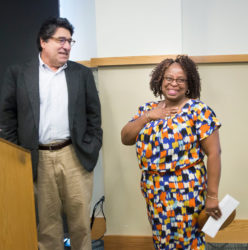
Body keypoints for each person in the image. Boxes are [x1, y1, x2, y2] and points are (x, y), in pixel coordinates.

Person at [0, 17, 102, 250]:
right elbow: (7, 117)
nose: (66, 46)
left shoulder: (81, 74)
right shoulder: (19, 73)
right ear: (43, 42)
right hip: (38, 159)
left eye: (69, 41)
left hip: (74, 155)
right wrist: (19, 157)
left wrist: (92, 145)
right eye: (61, 40)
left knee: (80, 224)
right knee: (47, 225)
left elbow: (94, 115)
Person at [121, 55, 222, 249]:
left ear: (189, 82)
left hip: (186, 190)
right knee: (162, 239)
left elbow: (215, 153)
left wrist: (212, 196)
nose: (173, 83)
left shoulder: (199, 111)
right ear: (160, 80)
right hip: (153, 189)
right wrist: (148, 117)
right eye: (169, 78)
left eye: (180, 79)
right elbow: (126, 138)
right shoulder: (148, 109)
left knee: (187, 241)